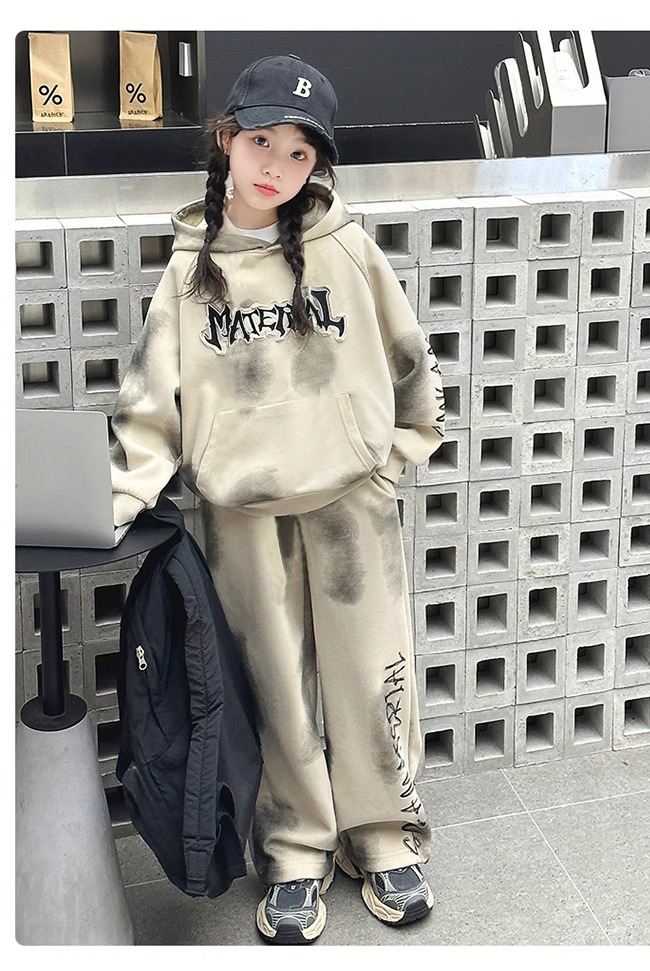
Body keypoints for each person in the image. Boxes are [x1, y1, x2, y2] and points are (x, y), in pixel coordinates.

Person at [109, 53, 445, 945]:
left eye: (300, 153)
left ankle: (384, 833)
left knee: (372, 672)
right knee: (274, 687)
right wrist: (118, 498)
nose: (277, 167)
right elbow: (150, 402)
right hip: (241, 512)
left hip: (352, 503)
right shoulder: (190, 269)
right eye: (262, 142)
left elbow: (410, 359)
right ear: (225, 139)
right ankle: (295, 848)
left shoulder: (347, 247)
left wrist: (394, 454)